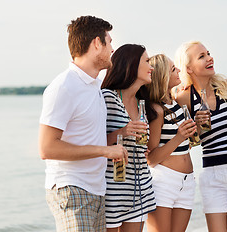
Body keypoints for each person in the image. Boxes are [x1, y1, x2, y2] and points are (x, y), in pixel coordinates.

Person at [38, 16, 128, 232]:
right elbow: (47, 148)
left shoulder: (94, 86)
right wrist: (104, 151)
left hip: (96, 189)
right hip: (72, 189)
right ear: (97, 43)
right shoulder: (64, 87)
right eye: (110, 41)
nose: (113, 49)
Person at [175, 41, 227, 232]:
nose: (209, 58)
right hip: (212, 174)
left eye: (208, 53)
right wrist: (196, 127)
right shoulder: (183, 98)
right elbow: (188, 143)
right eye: (201, 56)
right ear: (188, 68)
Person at [101, 44, 156, 232]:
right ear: (131, 64)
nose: (152, 67)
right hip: (113, 189)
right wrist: (122, 132)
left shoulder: (142, 103)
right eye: (147, 61)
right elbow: (93, 142)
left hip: (140, 188)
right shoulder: (108, 97)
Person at [145, 54, 197, 232]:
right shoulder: (156, 110)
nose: (179, 71)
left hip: (187, 181)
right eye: (174, 69)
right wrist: (179, 137)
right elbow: (151, 159)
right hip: (164, 182)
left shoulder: (175, 102)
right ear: (162, 76)